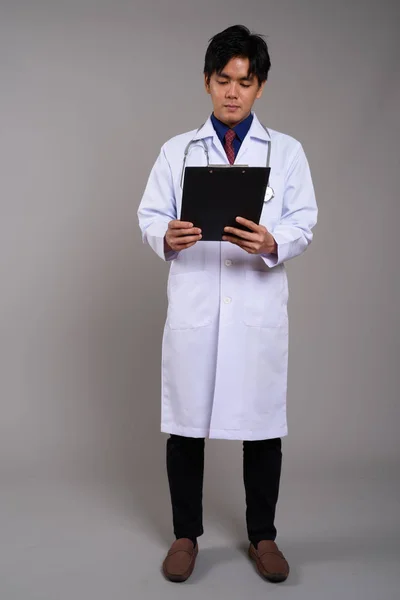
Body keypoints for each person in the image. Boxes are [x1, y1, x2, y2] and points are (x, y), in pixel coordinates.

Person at [137, 24, 317, 583]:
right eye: (223, 81)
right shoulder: (177, 151)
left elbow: (304, 220)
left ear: (260, 86)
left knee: (262, 425)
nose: (233, 92)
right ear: (207, 83)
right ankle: (185, 535)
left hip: (256, 311)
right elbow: (148, 216)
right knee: (186, 425)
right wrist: (166, 237)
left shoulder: (286, 152)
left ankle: (263, 536)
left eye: (245, 81)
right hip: (196, 306)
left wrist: (273, 243)